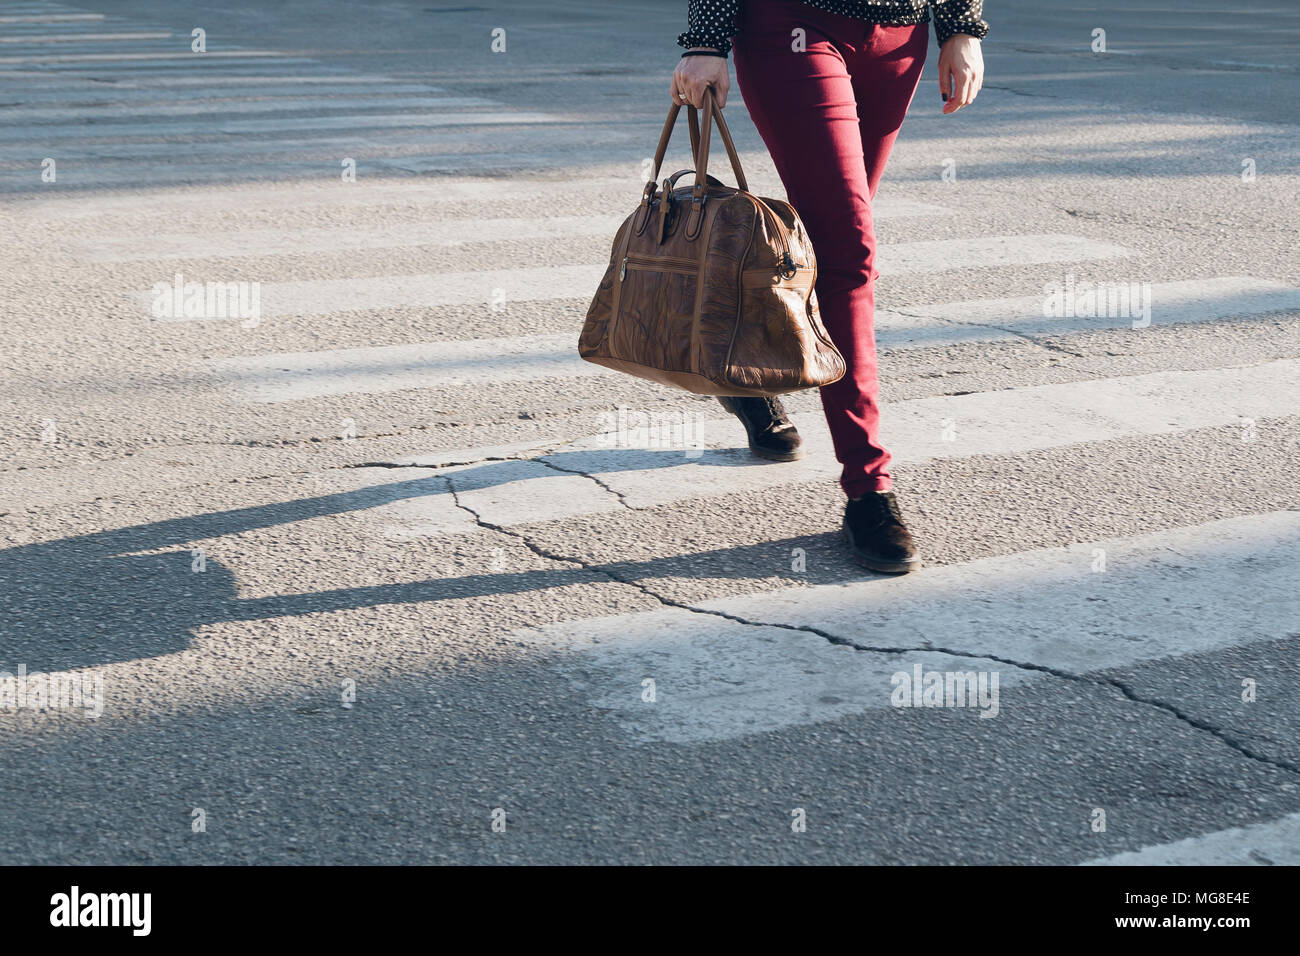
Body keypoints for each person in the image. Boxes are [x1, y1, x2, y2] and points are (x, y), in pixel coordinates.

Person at [671, 0, 986, 573]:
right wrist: (707, 39)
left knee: (827, 241)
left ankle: (739, 366)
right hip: (795, 24)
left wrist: (961, 25)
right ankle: (868, 486)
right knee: (849, 254)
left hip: (900, 36)